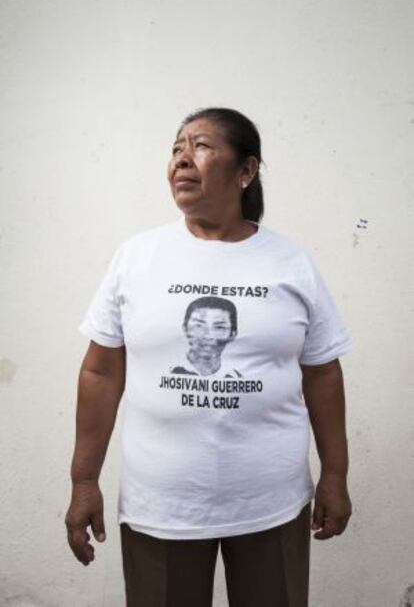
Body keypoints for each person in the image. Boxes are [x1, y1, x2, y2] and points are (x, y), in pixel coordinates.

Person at [65, 107, 353, 607]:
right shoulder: (138, 257)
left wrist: (335, 474)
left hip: (270, 502)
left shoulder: (291, 262)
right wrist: (84, 479)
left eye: (200, 146)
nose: (181, 158)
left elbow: (323, 373)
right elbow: (100, 370)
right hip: (163, 503)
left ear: (246, 171)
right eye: (176, 148)